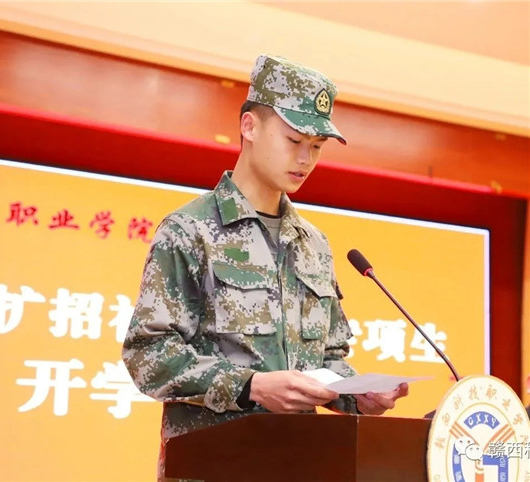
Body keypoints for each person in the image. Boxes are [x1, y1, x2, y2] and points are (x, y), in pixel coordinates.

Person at [122, 54, 408, 481]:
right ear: (249, 127)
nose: (305, 159)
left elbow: (327, 359)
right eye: (294, 140)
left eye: (316, 146)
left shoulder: (313, 245)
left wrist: (357, 394)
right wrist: (251, 386)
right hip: (213, 469)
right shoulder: (190, 231)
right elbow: (148, 354)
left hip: (300, 467)